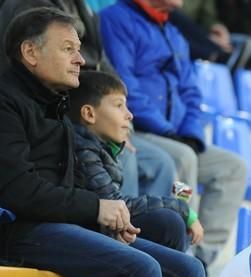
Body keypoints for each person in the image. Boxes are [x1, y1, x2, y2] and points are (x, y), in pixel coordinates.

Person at [0, 7, 204, 277]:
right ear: (30, 52)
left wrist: (103, 217)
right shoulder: (7, 102)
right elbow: (19, 191)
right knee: (141, 271)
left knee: (190, 272)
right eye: (68, 49)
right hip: (22, 231)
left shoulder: (54, 102)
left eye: (79, 48)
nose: (80, 59)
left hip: (57, 223)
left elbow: (68, 185)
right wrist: (96, 209)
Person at [100, 0, 248, 270]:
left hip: (177, 136)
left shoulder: (174, 32)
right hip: (138, 130)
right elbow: (124, 87)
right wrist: (167, 131)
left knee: (232, 168)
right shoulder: (116, 18)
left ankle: (200, 260)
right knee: (184, 157)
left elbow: (192, 94)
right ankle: (180, 260)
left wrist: (190, 133)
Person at [0, 0, 179, 200]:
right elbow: (31, 72)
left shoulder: (86, 9)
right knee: (122, 155)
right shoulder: (29, 8)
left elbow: (105, 66)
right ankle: (124, 228)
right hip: (73, 106)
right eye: (69, 49)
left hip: (80, 105)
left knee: (163, 163)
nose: (80, 59)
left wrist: (119, 110)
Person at [68, 69, 204, 251]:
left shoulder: (97, 147)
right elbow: (117, 205)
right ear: (89, 114)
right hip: (87, 240)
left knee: (172, 228)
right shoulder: (84, 150)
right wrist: (182, 208)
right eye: (119, 106)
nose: (129, 115)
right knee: (169, 223)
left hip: (102, 232)